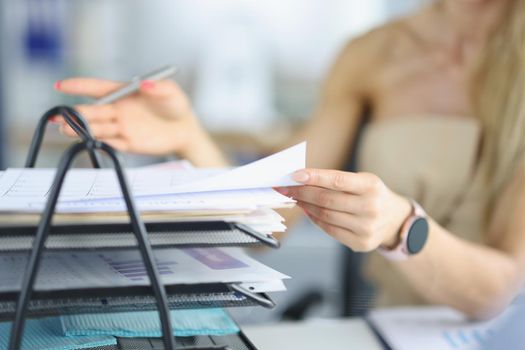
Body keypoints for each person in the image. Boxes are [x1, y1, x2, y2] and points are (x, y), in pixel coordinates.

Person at [54, 0, 525, 320]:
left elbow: (499, 290)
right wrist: (187, 134)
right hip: (385, 331)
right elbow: (273, 221)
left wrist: (403, 226)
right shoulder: (372, 54)